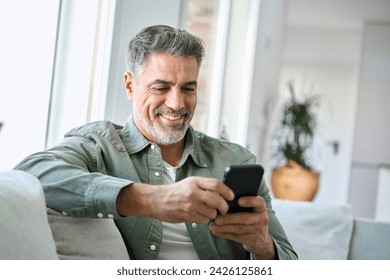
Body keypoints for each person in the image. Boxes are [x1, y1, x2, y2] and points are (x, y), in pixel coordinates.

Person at [14, 25, 297, 260]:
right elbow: (30, 174)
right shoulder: (99, 146)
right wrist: (152, 200)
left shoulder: (236, 160)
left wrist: (263, 246)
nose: (177, 104)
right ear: (129, 86)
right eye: (161, 88)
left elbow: (290, 261)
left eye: (189, 88)